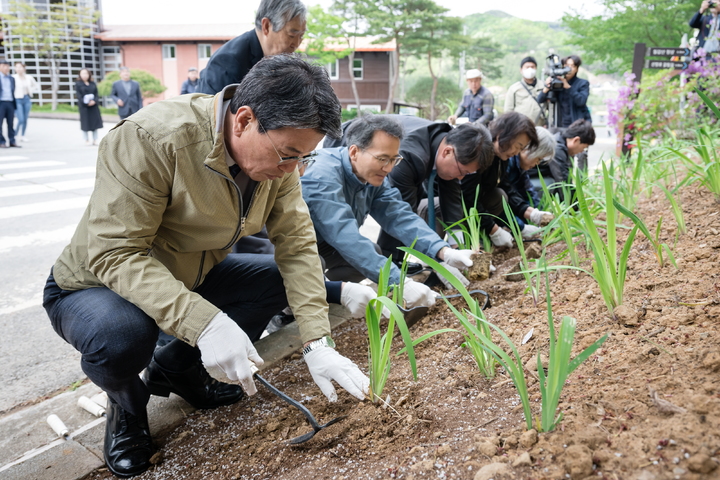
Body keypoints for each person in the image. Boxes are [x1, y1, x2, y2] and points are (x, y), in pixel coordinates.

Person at [42, 55, 368, 478]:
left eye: (302, 158)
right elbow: (115, 253)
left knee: (276, 281)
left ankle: (178, 368)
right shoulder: (154, 138)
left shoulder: (281, 161)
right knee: (122, 337)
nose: (291, 170)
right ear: (244, 120)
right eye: (287, 155)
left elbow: (298, 245)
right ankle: (127, 407)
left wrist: (317, 342)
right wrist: (207, 324)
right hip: (95, 285)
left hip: (188, 275)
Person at [301, 115, 476, 310]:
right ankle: (291, 304)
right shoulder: (322, 175)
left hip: (324, 243)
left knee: (372, 254)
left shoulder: (371, 177)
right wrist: (400, 282)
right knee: (314, 263)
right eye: (382, 159)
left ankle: (325, 294)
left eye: (394, 159)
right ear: (354, 152)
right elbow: (345, 235)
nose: (389, 168)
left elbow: (399, 216)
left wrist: (443, 251)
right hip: (292, 249)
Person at [374, 116, 494, 262]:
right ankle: (390, 264)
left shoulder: (449, 141)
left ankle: (395, 262)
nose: (461, 178)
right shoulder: (409, 156)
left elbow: (451, 194)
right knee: (400, 210)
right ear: (447, 152)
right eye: (462, 172)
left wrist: (457, 247)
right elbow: (399, 214)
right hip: (350, 153)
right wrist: (438, 260)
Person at [460, 112, 543, 248]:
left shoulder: (501, 158)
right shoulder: (478, 150)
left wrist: (531, 212)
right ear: (503, 133)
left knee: (500, 195)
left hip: (472, 205)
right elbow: (467, 195)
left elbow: (506, 187)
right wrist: (494, 230)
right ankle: (463, 245)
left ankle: (479, 239)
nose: (517, 152)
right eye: (518, 146)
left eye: (521, 149)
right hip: (448, 204)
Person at [198, 0, 306, 95]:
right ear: (266, 26)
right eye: (291, 35)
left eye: (301, 36)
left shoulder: (278, 60)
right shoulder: (228, 62)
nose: (296, 44)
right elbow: (215, 114)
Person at [529, 119, 596, 204]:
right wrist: (575, 207)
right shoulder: (557, 148)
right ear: (576, 140)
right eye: (584, 147)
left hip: (533, 177)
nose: (582, 151)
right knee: (551, 184)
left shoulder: (560, 138)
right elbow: (562, 181)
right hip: (528, 180)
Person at [503, 126, 556, 234]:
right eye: (539, 158)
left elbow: (528, 192)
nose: (538, 163)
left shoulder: (519, 166)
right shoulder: (507, 162)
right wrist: (520, 227)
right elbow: (503, 198)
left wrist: (539, 214)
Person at [504, 56, 546, 126]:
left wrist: (547, 123)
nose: (530, 69)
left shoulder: (544, 87)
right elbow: (508, 110)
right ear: (521, 70)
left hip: (540, 126)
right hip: (521, 126)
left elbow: (551, 108)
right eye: (527, 67)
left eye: (532, 67)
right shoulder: (514, 88)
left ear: (536, 68)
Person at [75, 68, 103, 146]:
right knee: (85, 123)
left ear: (89, 74)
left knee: (95, 123)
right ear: (80, 75)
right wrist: (86, 103)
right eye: (82, 73)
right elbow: (79, 95)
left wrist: (94, 101)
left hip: (94, 106)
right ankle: (86, 139)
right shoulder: (78, 84)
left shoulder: (92, 83)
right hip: (84, 107)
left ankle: (95, 139)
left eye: (86, 73)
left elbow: (96, 94)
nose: (84, 75)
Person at [12, 62, 38, 142]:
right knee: (21, 119)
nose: (18, 69)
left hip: (26, 98)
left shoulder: (28, 77)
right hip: (17, 99)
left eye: (20, 67)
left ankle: (22, 135)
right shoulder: (13, 77)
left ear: (24, 68)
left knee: (25, 119)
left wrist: (31, 91)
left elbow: (36, 85)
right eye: (17, 67)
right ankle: (15, 134)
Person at [0, 60, 20, 148]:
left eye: (7, 66)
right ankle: (2, 141)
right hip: (1, 102)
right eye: (4, 66)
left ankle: (12, 141)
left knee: (11, 123)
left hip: (10, 102)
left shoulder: (12, 78)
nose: (6, 68)